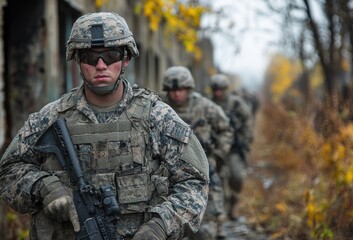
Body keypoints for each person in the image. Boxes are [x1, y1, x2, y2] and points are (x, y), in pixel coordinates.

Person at [0, 12, 210, 240]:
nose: (101, 65)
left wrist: (160, 226)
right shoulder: (50, 118)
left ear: (126, 58)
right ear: (78, 60)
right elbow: (8, 170)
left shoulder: (157, 117)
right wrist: (44, 187)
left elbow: (195, 181)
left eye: (110, 55)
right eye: (91, 57)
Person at [161, 66, 233, 240]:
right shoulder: (160, 108)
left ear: (189, 89)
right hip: (168, 169)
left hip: (204, 166)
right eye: (173, 90)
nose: (177, 94)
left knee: (207, 222)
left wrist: (217, 155)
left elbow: (226, 130)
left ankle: (216, 224)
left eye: (181, 89)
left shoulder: (205, 106)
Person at [210, 73, 254, 220]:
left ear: (226, 89)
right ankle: (221, 212)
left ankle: (233, 204)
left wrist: (246, 141)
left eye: (220, 89)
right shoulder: (209, 105)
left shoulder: (236, 104)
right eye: (215, 89)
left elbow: (248, 121)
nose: (218, 93)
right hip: (216, 150)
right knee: (218, 181)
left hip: (235, 148)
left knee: (237, 177)